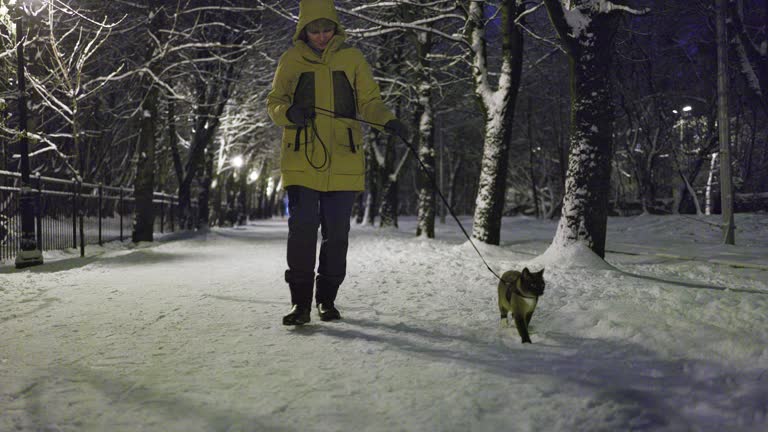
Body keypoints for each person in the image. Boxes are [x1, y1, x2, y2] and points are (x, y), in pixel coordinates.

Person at [267, 0, 408, 326]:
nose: (321, 36)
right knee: (302, 232)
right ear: (304, 31)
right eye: (314, 30)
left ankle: (326, 300)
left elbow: (370, 102)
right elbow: (274, 103)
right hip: (302, 158)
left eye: (326, 29)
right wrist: (289, 113)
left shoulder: (352, 59)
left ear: (335, 27)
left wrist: (388, 120)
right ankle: (299, 304)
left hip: (345, 160)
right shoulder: (291, 59)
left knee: (337, 236)